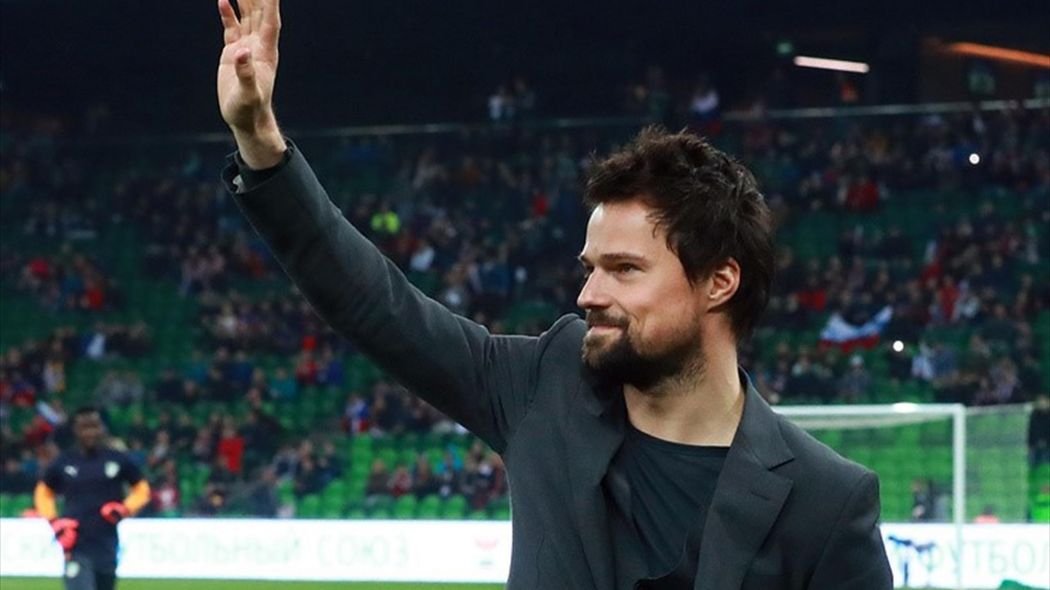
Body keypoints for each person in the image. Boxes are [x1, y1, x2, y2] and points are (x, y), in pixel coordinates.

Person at [214, 1, 893, 587]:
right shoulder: (546, 387)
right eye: (591, 267)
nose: (590, 293)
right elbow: (376, 305)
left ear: (720, 281)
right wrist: (259, 140)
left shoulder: (825, 502)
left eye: (624, 269)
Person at [34, 406, 150, 590]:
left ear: (102, 428)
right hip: (75, 543)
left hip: (107, 544)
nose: (90, 433)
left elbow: (142, 489)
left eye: (94, 426)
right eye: (84, 427)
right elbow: (43, 492)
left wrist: (125, 508)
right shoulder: (64, 461)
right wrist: (54, 521)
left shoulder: (117, 459)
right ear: (76, 430)